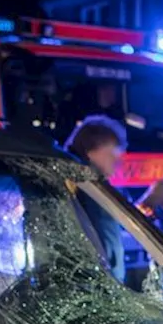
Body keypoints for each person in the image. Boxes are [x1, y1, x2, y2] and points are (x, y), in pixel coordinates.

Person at [65, 115, 129, 283]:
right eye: (111, 155)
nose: (116, 163)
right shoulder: (86, 189)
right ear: (91, 152)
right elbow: (104, 243)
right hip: (96, 284)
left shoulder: (90, 187)